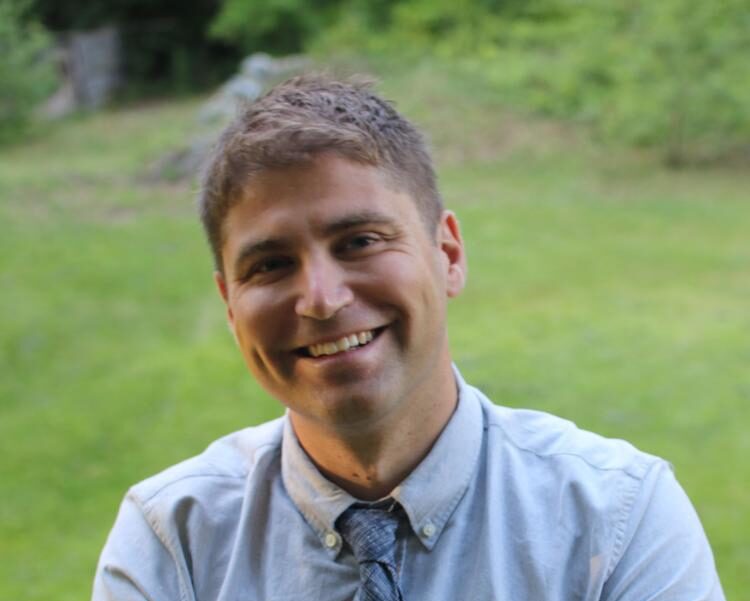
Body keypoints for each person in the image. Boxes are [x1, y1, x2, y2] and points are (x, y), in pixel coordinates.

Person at [92, 74, 725, 601]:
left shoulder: (615, 518)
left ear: (447, 254)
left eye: (360, 242)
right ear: (231, 306)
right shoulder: (174, 542)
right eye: (270, 265)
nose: (320, 298)